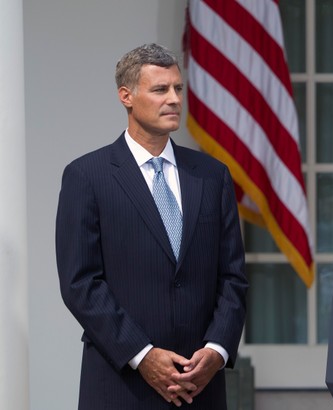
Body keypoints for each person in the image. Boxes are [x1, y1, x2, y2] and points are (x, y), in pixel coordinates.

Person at [56, 43, 248, 409]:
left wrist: (217, 350)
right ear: (126, 96)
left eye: (178, 88)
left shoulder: (212, 176)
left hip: (200, 388)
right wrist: (142, 355)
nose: (174, 99)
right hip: (120, 387)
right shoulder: (87, 176)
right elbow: (80, 283)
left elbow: (233, 277)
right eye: (160, 89)